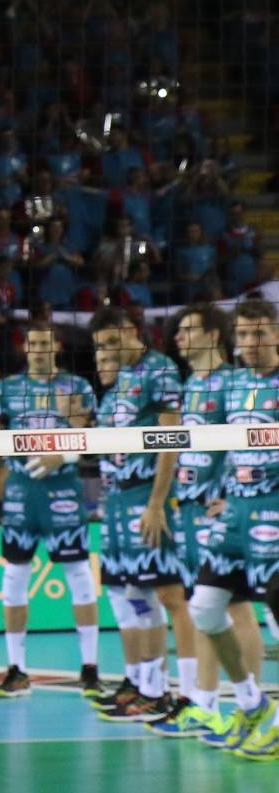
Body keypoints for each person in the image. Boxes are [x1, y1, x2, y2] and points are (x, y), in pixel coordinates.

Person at [0, 322, 101, 696]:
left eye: (45, 343)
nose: (38, 350)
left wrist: (62, 454)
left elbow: (94, 439)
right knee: (14, 578)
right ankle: (17, 668)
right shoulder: (7, 389)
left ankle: (91, 668)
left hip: (63, 490)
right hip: (20, 492)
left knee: (79, 575)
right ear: (25, 348)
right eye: (32, 343)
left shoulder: (77, 387)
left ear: (56, 347)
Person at [86, 307, 184, 720]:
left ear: (131, 331)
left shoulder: (159, 370)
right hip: (117, 500)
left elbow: (170, 438)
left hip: (146, 495)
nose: (107, 352)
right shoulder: (120, 382)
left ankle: (158, 690)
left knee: (158, 593)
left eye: (112, 342)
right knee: (130, 594)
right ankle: (142, 683)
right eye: (100, 346)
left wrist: (157, 503)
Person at [191, 296, 279, 756]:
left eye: (259, 332)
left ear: (276, 334)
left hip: (274, 510)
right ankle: (251, 703)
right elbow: (223, 443)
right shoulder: (231, 384)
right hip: (236, 512)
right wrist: (222, 490)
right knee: (205, 608)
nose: (250, 342)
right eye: (243, 334)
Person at [149, 305, 235, 737]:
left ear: (214, 335)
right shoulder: (189, 386)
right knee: (203, 607)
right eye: (178, 330)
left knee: (234, 608)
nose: (178, 337)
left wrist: (231, 495)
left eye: (188, 329)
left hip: (223, 514)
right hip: (189, 512)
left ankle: (243, 707)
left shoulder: (233, 383)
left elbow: (253, 441)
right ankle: (205, 703)